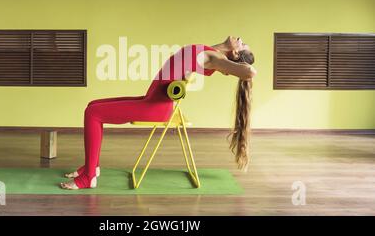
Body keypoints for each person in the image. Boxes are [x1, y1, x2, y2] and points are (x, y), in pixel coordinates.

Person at [61, 36, 256, 189]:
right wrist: (229, 51)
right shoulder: (212, 52)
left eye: (243, 43)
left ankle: (89, 178)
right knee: (92, 105)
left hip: (156, 108)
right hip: (151, 100)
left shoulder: (216, 58)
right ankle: (91, 167)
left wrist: (241, 65)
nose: (239, 38)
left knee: (93, 113)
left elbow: (249, 72)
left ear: (236, 53)